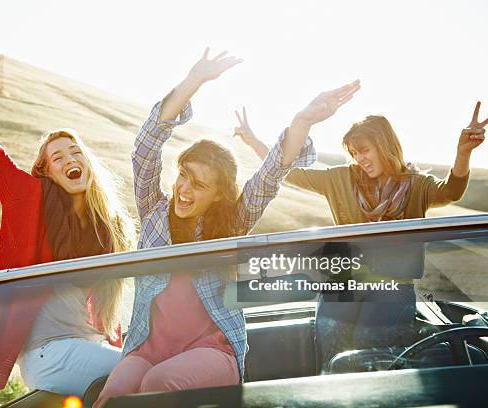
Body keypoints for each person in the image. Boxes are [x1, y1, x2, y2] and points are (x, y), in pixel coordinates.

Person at [95, 49, 359, 406]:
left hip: (213, 352)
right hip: (150, 348)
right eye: (184, 176)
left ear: (219, 196)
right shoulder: (154, 213)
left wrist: (302, 122)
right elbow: (145, 148)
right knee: (112, 395)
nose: (184, 190)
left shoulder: (231, 223)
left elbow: (269, 176)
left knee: (158, 383)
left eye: (199, 185)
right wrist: (194, 80)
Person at [0, 32, 135, 396]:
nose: (70, 160)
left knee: (153, 365)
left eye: (75, 152)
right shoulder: (30, 197)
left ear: (87, 161)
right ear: (47, 171)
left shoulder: (108, 225)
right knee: (143, 374)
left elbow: (107, 303)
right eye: (58, 157)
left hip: (91, 346)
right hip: (48, 353)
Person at [234, 98, 486, 371]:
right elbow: (290, 173)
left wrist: (463, 154)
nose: (360, 159)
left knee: (369, 344)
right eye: (354, 152)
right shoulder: (341, 178)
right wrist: (253, 141)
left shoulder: (415, 185)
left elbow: (451, 191)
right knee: (330, 337)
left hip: (392, 287)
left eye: (365, 150)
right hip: (345, 281)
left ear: (385, 146)